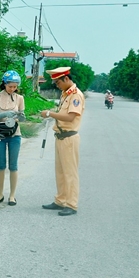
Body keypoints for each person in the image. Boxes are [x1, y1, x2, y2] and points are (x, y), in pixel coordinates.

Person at [40, 67, 85, 216]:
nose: (56, 85)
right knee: (60, 172)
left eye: (58, 82)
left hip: (69, 138)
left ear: (66, 79)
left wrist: (50, 113)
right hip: (60, 137)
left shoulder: (75, 96)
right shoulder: (65, 94)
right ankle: (61, 200)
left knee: (70, 173)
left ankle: (71, 204)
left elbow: (71, 117)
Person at [0, 70, 25, 206]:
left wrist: (20, 116)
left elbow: (21, 116)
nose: (13, 89)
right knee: (0, 165)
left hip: (14, 134)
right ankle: (0, 194)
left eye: (15, 86)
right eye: (10, 86)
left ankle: (12, 196)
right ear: (4, 84)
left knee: (13, 165)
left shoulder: (20, 98)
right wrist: (6, 114)